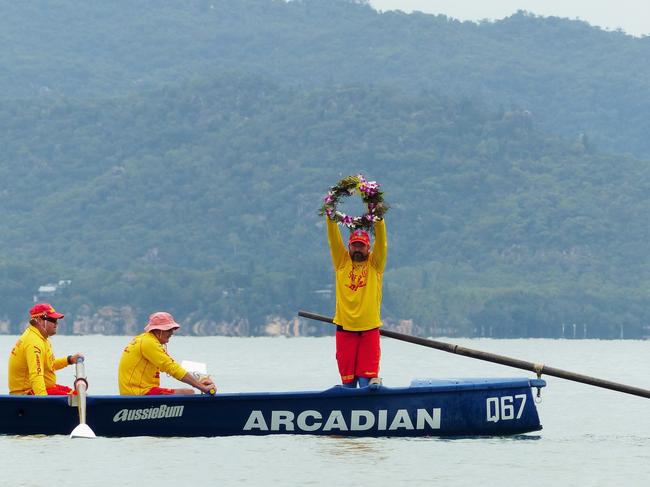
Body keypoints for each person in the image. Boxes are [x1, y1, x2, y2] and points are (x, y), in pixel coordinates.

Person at [326, 215, 387, 387]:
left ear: (369, 247)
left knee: (366, 381)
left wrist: (378, 219)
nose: (358, 249)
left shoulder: (375, 264)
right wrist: (330, 215)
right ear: (349, 247)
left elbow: (382, 241)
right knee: (348, 383)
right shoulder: (341, 261)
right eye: (355, 246)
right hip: (345, 329)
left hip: (369, 329)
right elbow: (333, 238)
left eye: (362, 246)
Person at [118, 311, 216, 395]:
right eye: (169, 329)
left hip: (135, 391)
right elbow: (171, 368)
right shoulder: (149, 343)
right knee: (189, 393)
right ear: (159, 330)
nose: (172, 333)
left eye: (172, 329)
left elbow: (172, 365)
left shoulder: (146, 340)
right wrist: (202, 387)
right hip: (139, 392)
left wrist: (201, 379)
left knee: (188, 391)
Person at [8, 303, 84, 395]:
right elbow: (36, 375)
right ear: (40, 320)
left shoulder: (41, 338)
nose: (56, 324)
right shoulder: (34, 343)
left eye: (56, 320)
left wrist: (69, 360)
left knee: (78, 394)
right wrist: (44, 401)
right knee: (76, 398)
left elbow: (49, 365)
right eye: (53, 320)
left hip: (38, 389)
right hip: (26, 394)